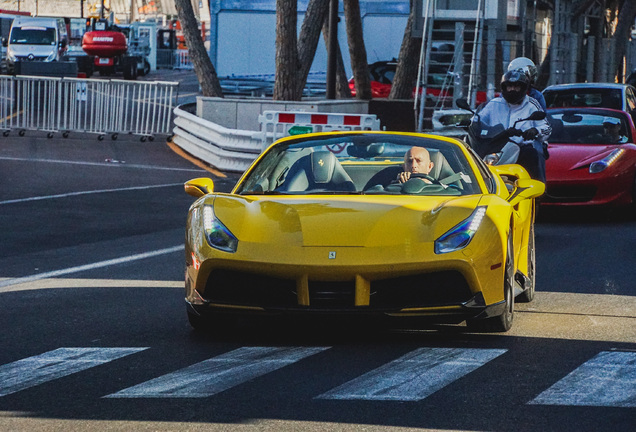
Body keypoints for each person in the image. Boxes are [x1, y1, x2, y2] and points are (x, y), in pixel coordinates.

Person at [473, 69, 552, 182]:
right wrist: (470, 123)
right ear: (503, 87)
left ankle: (536, 192)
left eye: (516, 87)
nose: (512, 90)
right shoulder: (494, 104)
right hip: (495, 146)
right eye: (509, 86)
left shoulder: (532, 104)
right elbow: (478, 119)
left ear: (524, 88)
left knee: (531, 154)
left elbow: (546, 128)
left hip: (520, 147)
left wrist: (535, 130)